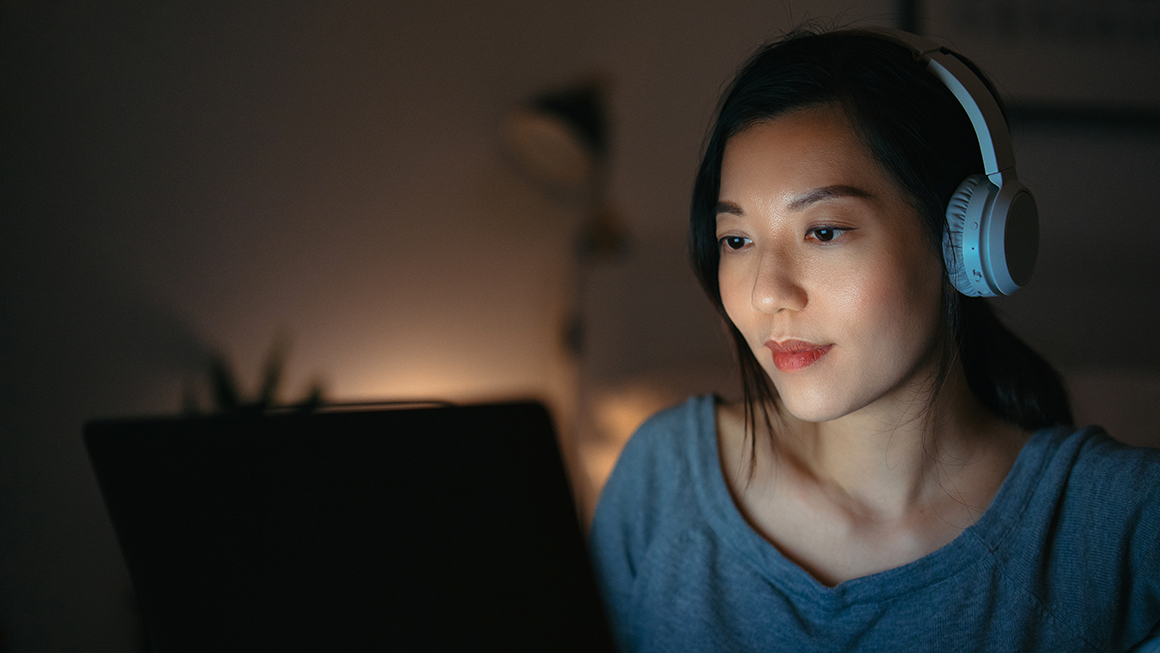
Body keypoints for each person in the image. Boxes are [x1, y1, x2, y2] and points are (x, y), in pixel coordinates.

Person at [588, 26, 1160, 652]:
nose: (767, 293)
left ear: (962, 243)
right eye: (737, 240)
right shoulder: (660, 479)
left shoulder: (1121, 524)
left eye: (824, 232)